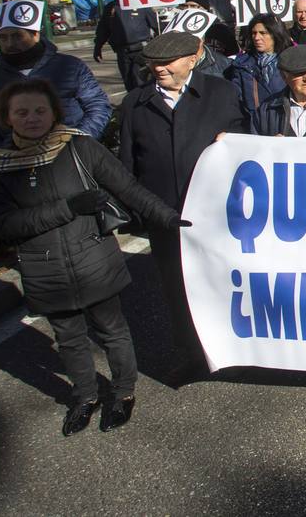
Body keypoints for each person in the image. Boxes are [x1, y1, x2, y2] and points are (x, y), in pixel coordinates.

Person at [0, 78, 185, 434]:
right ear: (7, 118)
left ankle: (123, 393)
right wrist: (67, 208)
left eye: (40, 110)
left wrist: (170, 219)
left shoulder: (80, 148)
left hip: (94, 261)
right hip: (44, 269)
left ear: (55, 111)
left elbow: (128, 188)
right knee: (68, 338)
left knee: (112, 331)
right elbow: (2, 226)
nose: (32, 118)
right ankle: (84, 397)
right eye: (22, 112)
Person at [118, 31, 249, 384]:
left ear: (194, 57)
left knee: (223, 285)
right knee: (178, 291)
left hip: (217, 217)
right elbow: (127, 162)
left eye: (167, 62)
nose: (158, 68)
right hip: (165, 218)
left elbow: (244, 141)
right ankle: (192, 354)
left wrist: (233, 141)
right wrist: (138, 214)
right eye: (154, 62)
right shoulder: (135, 103)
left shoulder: (220, 92)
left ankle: (231, 352)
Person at [0, 24, 111, 155]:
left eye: (17, 36)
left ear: (35, 34)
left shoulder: (71, 66)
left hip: (73, 153)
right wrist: (3, 153)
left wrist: (79, 142)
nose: (10, 43)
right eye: (3, 37)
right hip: (16, 164)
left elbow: (98, 105)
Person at [227, 14, 293, 120]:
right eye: (254, 33)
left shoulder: (291, 62)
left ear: (275, 34)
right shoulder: (241, 65)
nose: (257, 38)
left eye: (263, 33)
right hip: (253, 125)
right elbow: (236, 100)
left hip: (285, 123)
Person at [92, 0, 159, 90]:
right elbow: (103, 29)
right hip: (122, 52)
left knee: (141, 81)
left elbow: (156, 25)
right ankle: (133, 103)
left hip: (141, 50)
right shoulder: (111, 7)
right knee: (129, 83)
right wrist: (98, 47)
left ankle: (145, 103)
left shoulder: (141, 4)